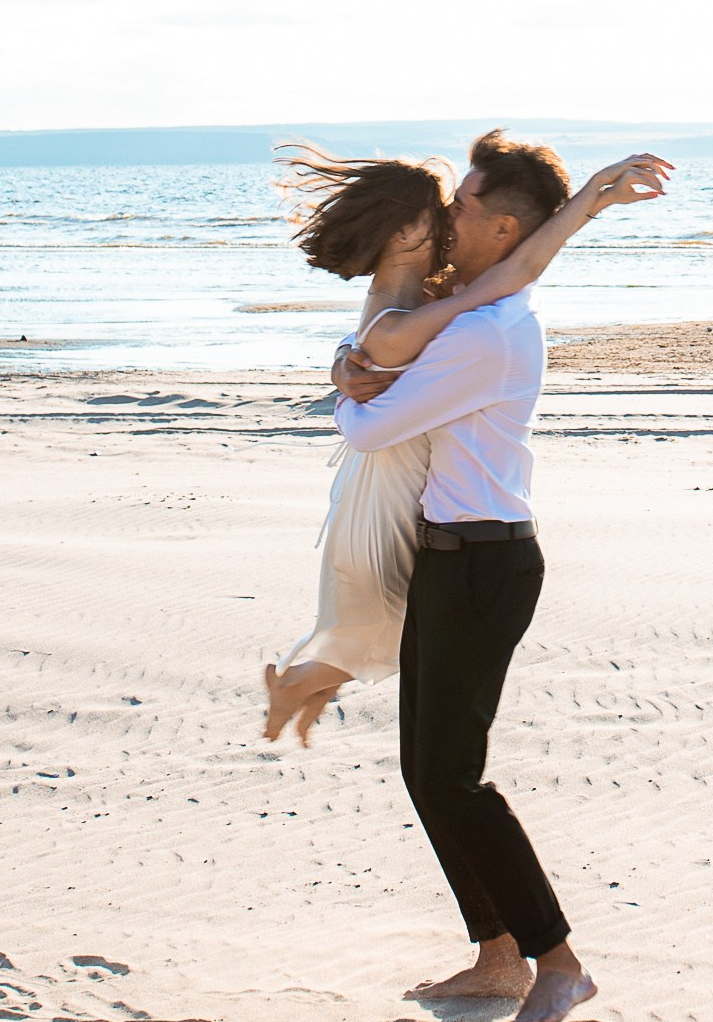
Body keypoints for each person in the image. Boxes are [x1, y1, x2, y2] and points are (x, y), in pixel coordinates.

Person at [331, 128, 664, 1022]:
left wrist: (349, 386)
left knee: (453, 779)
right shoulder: (476, 311)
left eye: (466, 202)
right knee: (427, 771)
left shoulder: (487, 334)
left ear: (504, 226)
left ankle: (560, 965)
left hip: (485, 562)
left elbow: (369, 430)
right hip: (453, 557)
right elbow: (391, 357)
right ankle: (498, 956)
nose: (450, 212)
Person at [261, 137, 666, 753]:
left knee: (386, 615)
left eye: (457, 207)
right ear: (404, 235)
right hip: (384, 475)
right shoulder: (427, 314)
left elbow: (516, 265)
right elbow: (516, 273)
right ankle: (302, 684)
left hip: (394, 476)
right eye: (441, 211)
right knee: (382, 611)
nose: (451, 218)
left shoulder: (424, 297)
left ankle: (307, 685)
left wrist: (594, 199)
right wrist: (592, 199)